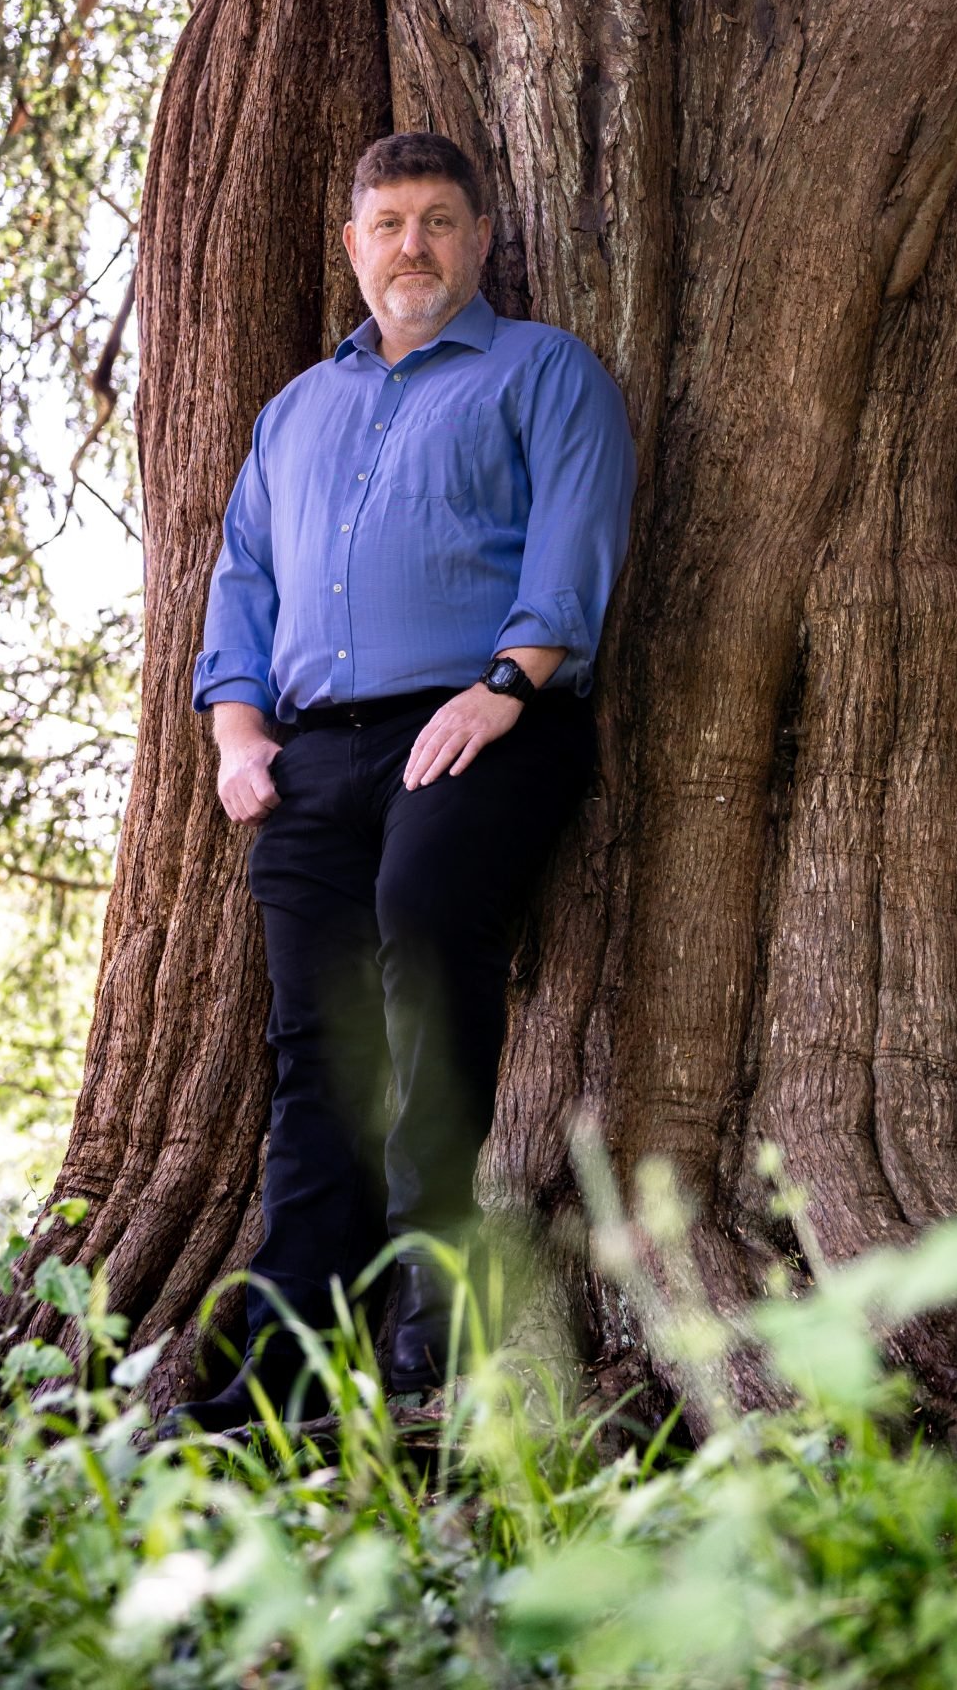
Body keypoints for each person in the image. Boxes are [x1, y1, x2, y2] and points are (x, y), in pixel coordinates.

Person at [184, 130, 636, 1427]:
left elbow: (576, 535)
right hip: (311, 753)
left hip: (490, 719)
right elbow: (243, 582)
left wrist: (503, 688)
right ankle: (278, 1370)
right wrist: (236, 734)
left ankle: (432, 1316)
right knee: (312, 1048)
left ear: (481, 240)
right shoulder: (295, 412)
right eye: (388, 224)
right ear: (353, 246)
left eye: (439, 222)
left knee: (427, 940)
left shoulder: (540, 372)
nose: (413, 248)